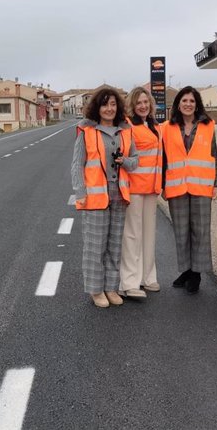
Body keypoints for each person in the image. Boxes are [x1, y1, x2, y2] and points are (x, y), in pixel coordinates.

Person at [71, 87, 138, 308]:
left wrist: (124, 162)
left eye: (112, 104)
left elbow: (135, 161)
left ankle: (110, 287)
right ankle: (95, 290)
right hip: (95, 196)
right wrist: (80, 193)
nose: (109, 109)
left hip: (119, 194)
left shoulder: (126, 130)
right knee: (95, 246)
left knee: (114, 245)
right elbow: (77, 165)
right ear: (97, 108)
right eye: (104, 104)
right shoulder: (86, 131)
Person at [162, 86, 217, 294]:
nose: (188, 104)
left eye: (192, 101)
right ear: (178, 103)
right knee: (181, 231)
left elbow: (214, 155)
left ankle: (196, 274)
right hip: (176, 185)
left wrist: (216, 183)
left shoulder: (208, 125)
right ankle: (186, 270)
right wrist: (161, 185)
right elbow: (163, 159)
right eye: (184, 100)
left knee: (200, 232)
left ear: (197, 104)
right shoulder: (166, 128)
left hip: (201, 185)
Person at [119, 87, 163, 299]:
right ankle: (129, 282)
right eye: (139, 103)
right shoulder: (128, 126)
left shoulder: (155, 125)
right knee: (132, 235)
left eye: (146, 102)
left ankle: (148, 277)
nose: (143, 106)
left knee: (149, 234)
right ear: (132, 106)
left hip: (152, 188)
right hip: (134, 188)